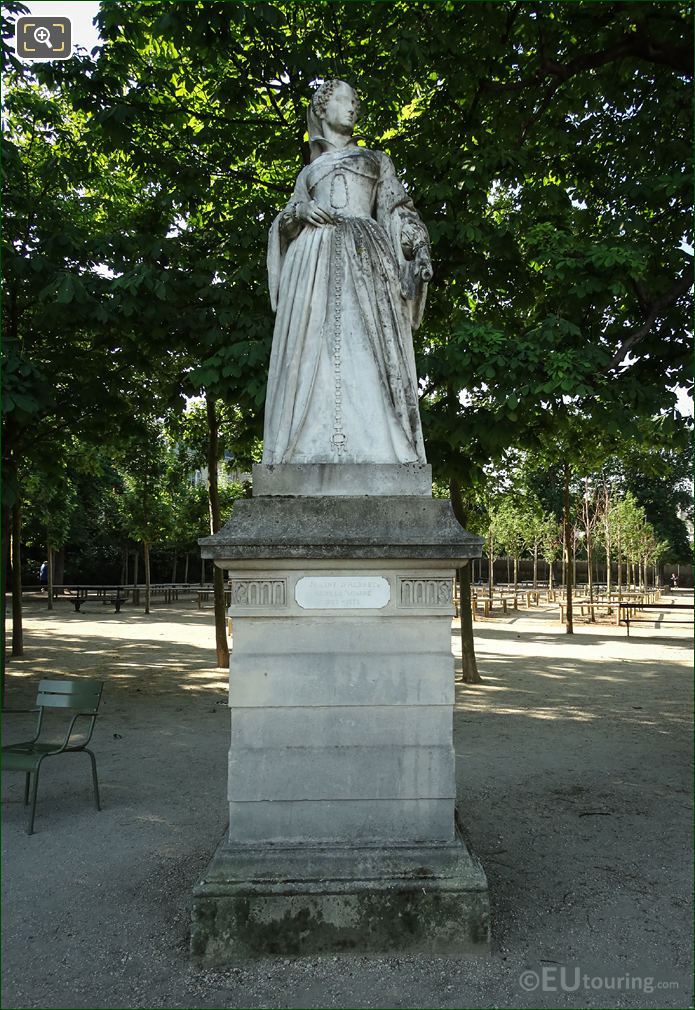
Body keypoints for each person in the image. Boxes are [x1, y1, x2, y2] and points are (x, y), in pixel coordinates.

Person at [263, 80, 433, 465]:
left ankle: (381, 450)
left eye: (356, 101)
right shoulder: (307, 173)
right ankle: (308, 450)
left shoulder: (376, 159)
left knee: (370, 349)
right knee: (312, 352)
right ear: (322, 110)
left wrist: (416, 243)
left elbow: (397, 208)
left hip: (368, 259)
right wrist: (299, 213)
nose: (353, 107)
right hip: (313, 263)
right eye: (344, 100)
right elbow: (285, 223)